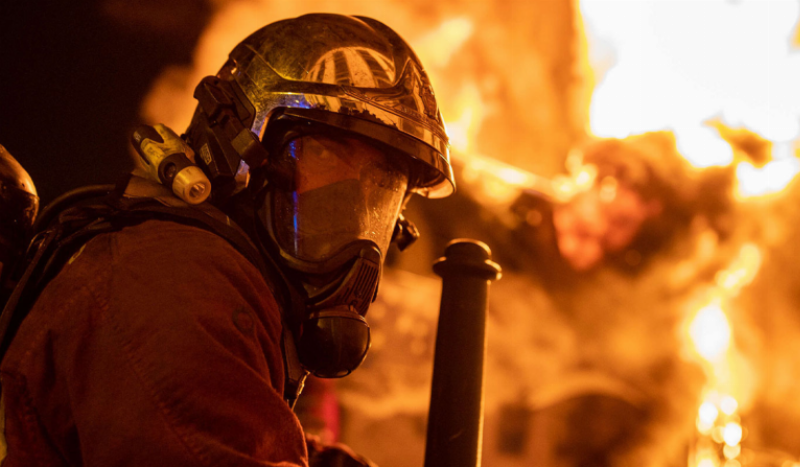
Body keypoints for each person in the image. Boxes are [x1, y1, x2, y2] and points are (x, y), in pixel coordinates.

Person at [0, 13, 454, 467]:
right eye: (323, 153)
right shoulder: (174, 285)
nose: (351, 206)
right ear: (235, 148)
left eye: (380, 184)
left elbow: (241, 430)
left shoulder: (221, 284)